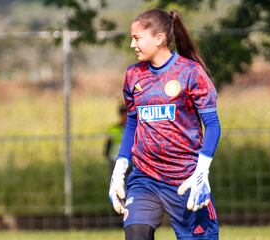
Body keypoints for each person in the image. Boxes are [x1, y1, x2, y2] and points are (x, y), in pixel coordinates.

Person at [108, 9, 221, 240]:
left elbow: (213, 125)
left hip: (185, 179)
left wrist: (202, 172)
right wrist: (119, 170)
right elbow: (132, 124)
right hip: (144, 178)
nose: (132, 44)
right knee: (136, 234)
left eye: (137, 38)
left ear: (159, 38)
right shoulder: (133, 75)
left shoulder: (190, 73)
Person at [104, 104, 127, 176]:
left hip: (129, 160)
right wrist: (107, 155)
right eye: (122, 113)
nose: (124, 116)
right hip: (115, 159)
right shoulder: (113, 129)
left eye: (125, 113)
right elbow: (108, 143)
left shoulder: (133, 129)